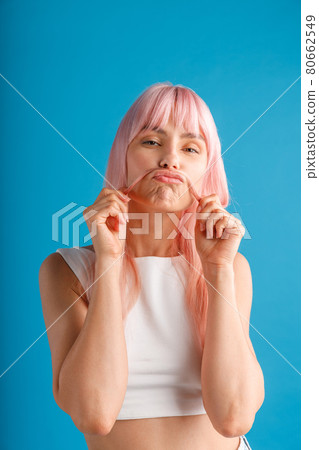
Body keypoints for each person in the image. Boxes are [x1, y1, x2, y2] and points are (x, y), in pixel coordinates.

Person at [39, 82, 264, 449]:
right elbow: (93, 413)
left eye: (190, 148)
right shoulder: (65, 270)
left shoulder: (230, 268)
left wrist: (219, 270)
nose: (170, 159)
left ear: (206, 172)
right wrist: (110, 261)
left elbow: (234, 417)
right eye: (151, 141)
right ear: (123, 157)